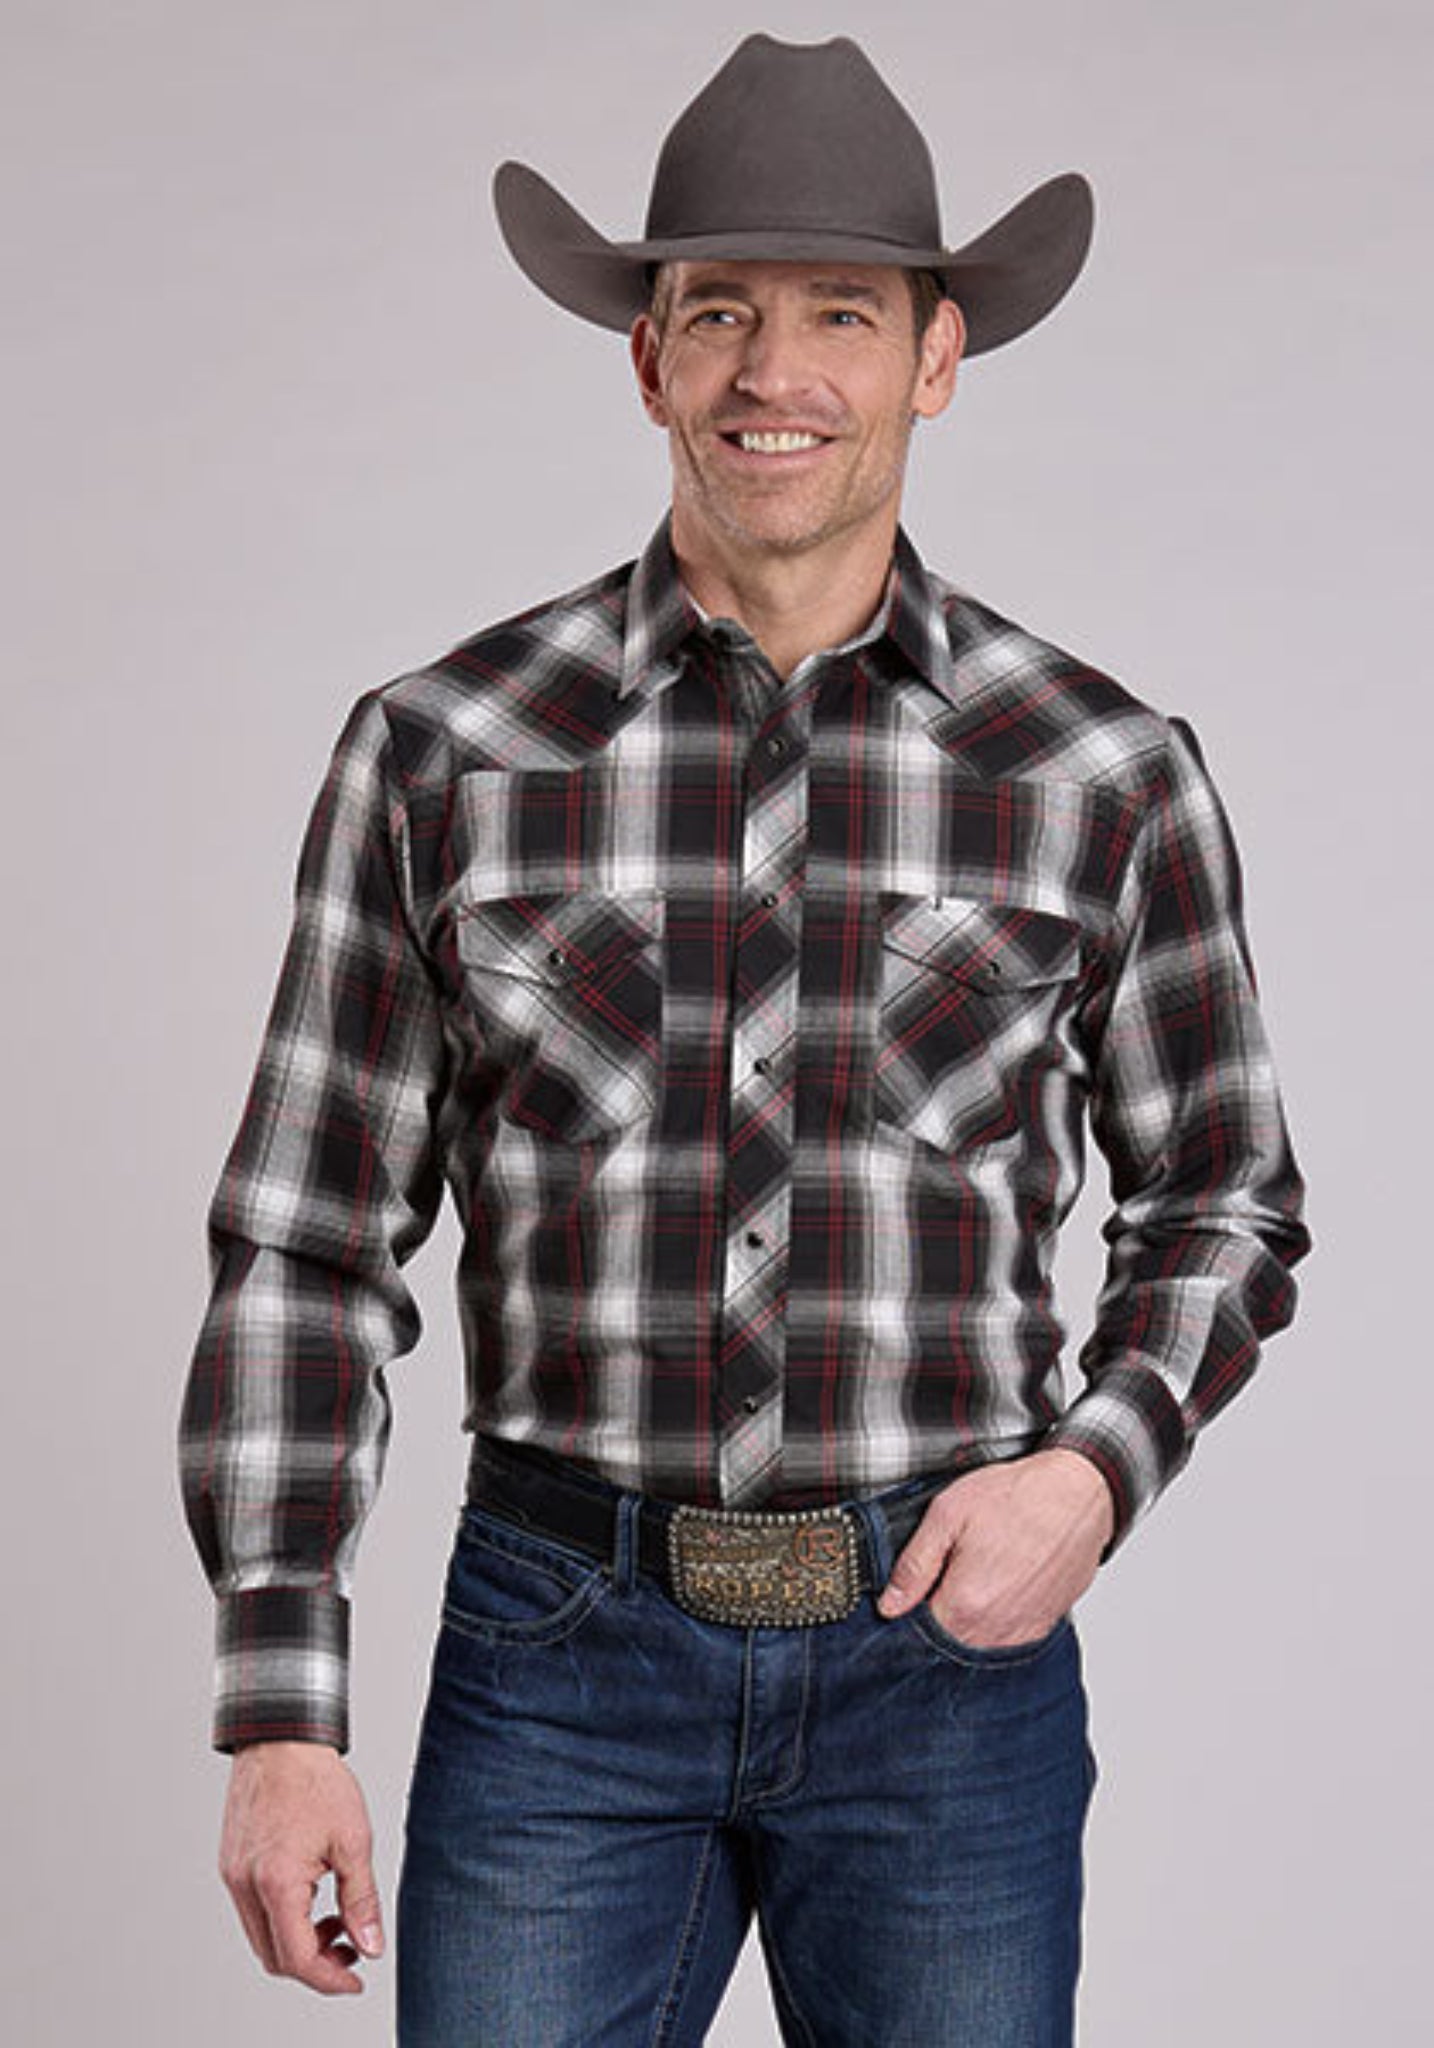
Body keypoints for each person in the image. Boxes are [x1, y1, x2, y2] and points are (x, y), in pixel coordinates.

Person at [178, 32, 1310, 2046]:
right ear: (648, 359)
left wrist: (1091, 1475)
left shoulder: (1100, 772)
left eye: (840, 315)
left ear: (935, 359)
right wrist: (281, 1707)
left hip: (943, 1670)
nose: (770, 371)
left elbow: (1224, 1193)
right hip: (560, 1648)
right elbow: (307, 1240)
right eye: (717, 312)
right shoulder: (444, 751)